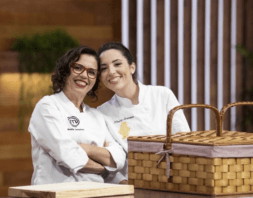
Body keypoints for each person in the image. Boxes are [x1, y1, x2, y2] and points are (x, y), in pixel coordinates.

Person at [28, 46, 125, 185]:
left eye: (92, 72)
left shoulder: (97, 116)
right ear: (66, 70)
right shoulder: (47, 106)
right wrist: (104, 168)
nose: (84, 75)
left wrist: (86, 149)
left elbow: (119, 157)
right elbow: (67, 155)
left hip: (96, 193)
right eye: (78, 68)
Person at [97, 42, 190, 184]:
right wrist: (126, 185)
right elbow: (110, 162)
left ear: (132, 67)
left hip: (172, 179)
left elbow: (185, 140)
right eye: (104, 68)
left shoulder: (161, 95)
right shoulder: (102, 112)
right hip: (131, 184)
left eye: (117, 64)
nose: (111, 72)